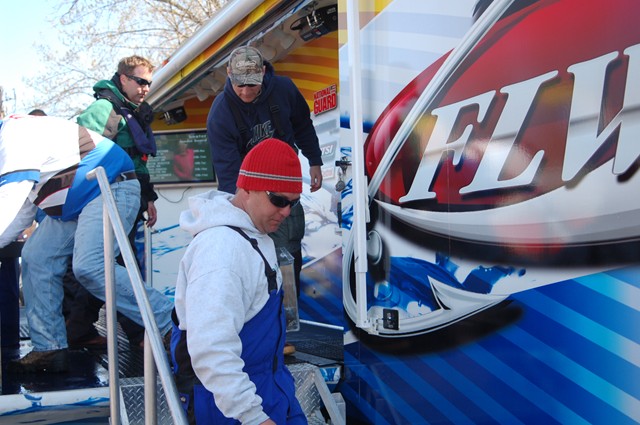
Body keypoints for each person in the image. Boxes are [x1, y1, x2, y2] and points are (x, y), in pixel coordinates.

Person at [0, 114, 173, 373]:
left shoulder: (13, 136)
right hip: (73, 202)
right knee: (36, 256)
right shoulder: (11, 145)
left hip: (109, 185)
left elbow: (8, 202)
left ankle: (171, 324)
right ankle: (49, 347)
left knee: (91, 265)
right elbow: (20, 213)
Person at [171, 138, 307, 424]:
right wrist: (253, 416)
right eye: (278, 200)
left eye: (293, 203)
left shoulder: (256, 234)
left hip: (269, 389)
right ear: (246, 188)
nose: (286, 211)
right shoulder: (222, 251)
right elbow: (212, 349)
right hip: (229, 408)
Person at [207, 46, 324, 353]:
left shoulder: (283, 89)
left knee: (287, 257)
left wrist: (314, 160)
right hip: (247, 195)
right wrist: (243, 217)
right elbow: (227, 172)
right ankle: (258, 333)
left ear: (263, 74)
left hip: (284, 187)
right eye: (239, 84)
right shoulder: (220, 112)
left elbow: (302, 125)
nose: (246, 91)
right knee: (253, 260)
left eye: (252, 84)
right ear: (228, 75)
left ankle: (280, 331)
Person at [74, 55, 159, 348]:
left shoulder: (130, 111)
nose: (146, 88)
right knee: (113, 261)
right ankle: (141, 330)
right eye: (141, 81)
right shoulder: (105, 108)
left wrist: (147, 198)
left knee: (110, 262)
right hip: (107, 195)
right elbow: (80, 150)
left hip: (125, 194)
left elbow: (137, 161)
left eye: (149, 83)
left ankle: (79, 329)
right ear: (123, 79)